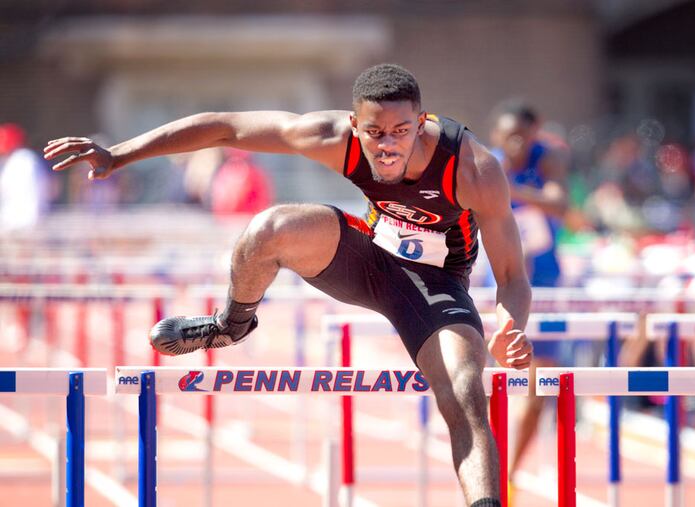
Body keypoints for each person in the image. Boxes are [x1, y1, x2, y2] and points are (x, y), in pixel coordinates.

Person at [45, 63, 533, 506]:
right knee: (269, 229)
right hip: (366, 256)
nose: (387, 146)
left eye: (401, 132)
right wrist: (118, 155)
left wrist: (511, 322)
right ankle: (230, 324)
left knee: (466, 388)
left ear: (422, 121)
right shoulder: (330, 136)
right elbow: (225, 126)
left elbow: (511, 275)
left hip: (436, 286)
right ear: (353, 124)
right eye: (375, 133)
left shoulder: (473, 168)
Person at [489, 102, 568, 498]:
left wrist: (511, 189)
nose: (517, 143)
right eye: (509, 137)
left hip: (546, 283)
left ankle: (509, 476)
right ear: (497, 139)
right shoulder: (487, 165)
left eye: (524, 134)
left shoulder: (547, 160)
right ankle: (491, 472)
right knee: (492, 383)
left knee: (540, 388)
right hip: (501, 285)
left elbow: (561, 205)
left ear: (535, 133)